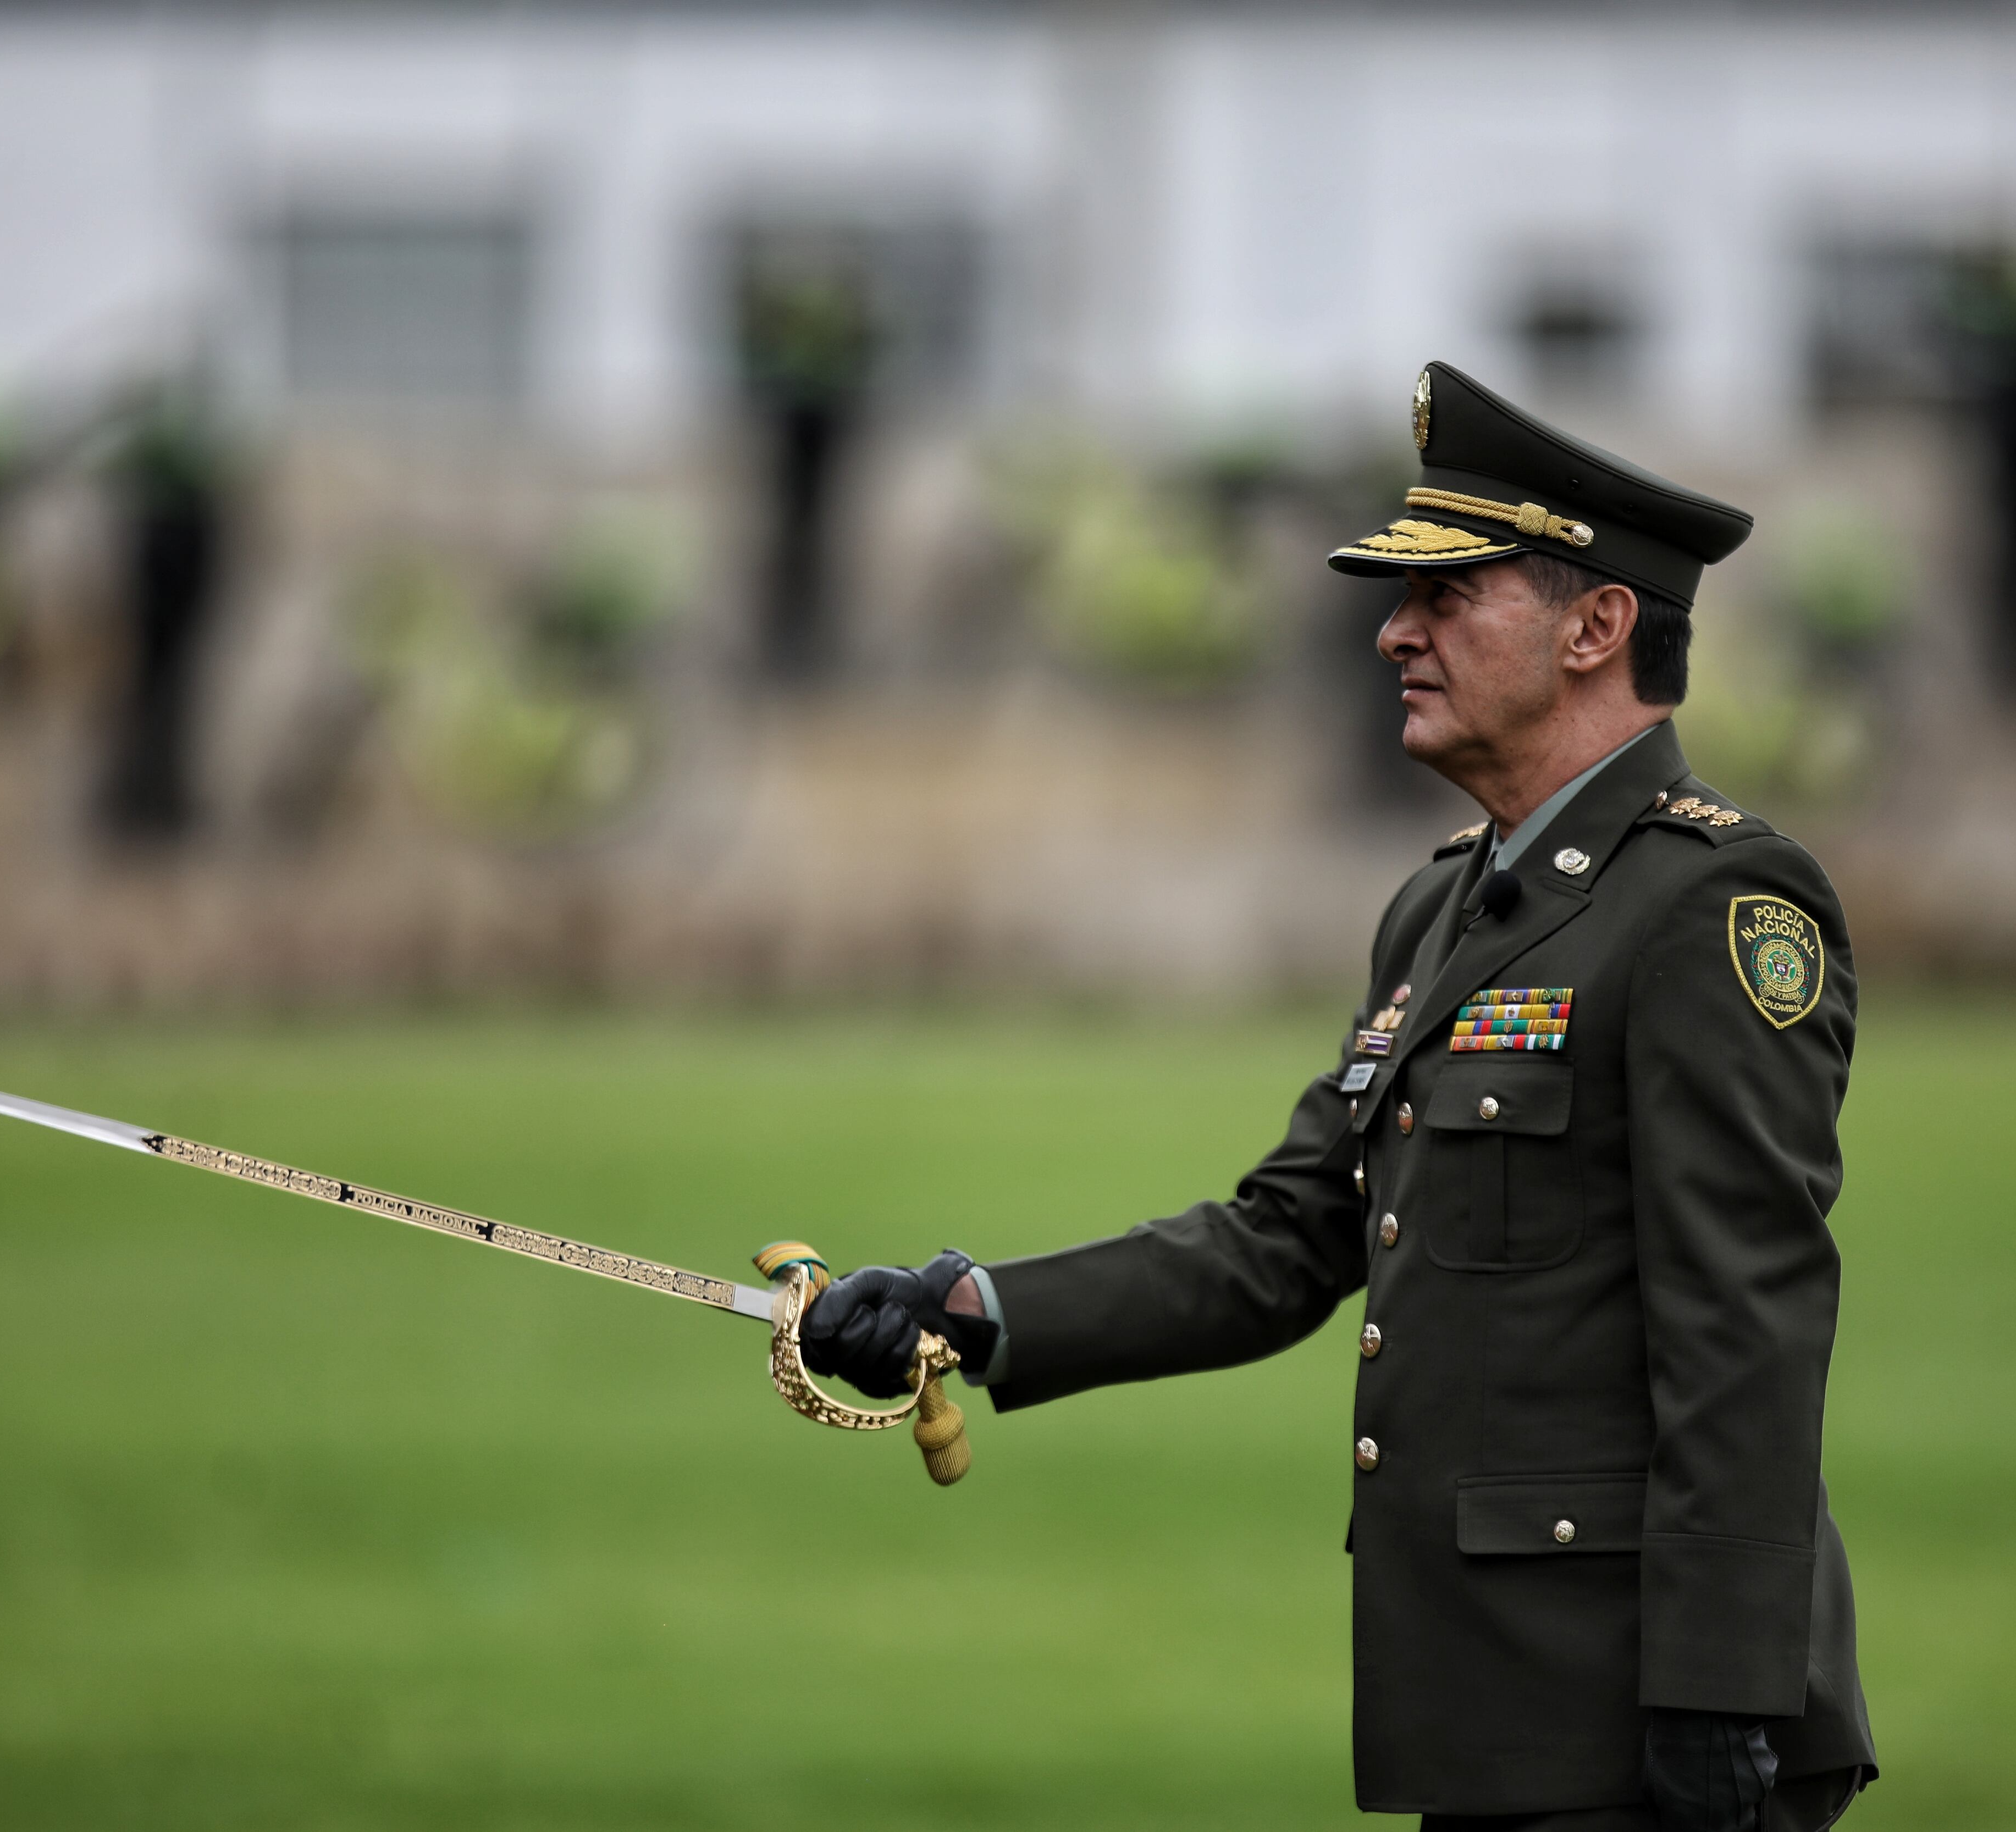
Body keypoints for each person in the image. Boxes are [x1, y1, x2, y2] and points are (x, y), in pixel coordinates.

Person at [803, 361, 1876, 1832]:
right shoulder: (1446, 907)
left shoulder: (1712, 906)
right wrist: (975, 1310)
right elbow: (1286, 1237)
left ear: (1598, 626)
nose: (1392, 631)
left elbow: (1746, 1321)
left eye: (1448, 599)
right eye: (1399, 597)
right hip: (1494, 1712)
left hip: (1649, 1724)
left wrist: (1723, 1687)